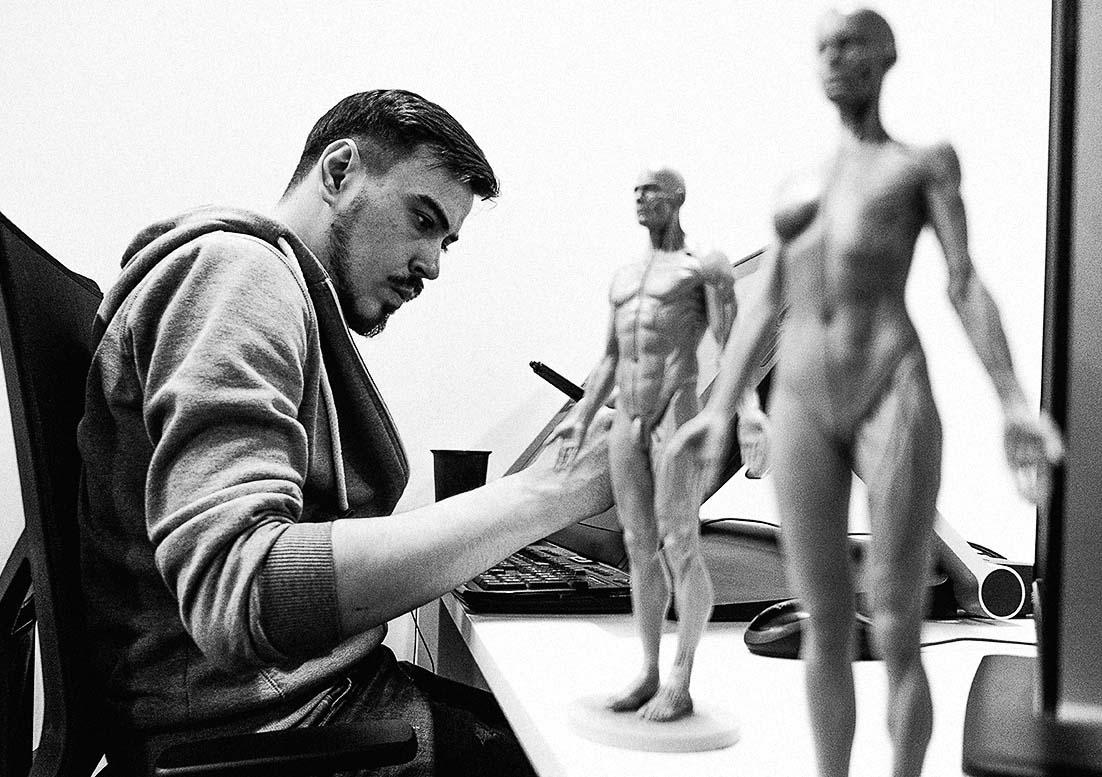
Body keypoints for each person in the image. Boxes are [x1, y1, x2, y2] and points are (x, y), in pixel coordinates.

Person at [76, 89, 613, 775]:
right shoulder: (239, 274)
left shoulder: (265, 286)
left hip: (299, 705)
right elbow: (243, 589)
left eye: (446, 241)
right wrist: (552, 489)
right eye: (423, 220)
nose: (433, 264)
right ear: (338, 172)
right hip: (265, 732)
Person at [666, 10, 1063, 777]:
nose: (834, 58)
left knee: (898, 620)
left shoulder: (921, 165)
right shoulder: (796, 188)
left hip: (891, 387)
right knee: (824, 620)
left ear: (886, 56)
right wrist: (721, 408)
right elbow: (764, 303)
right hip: (803, 398)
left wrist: (1013, 397)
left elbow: (963, 281)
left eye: (850, 44)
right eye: (824, 47)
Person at [552, 167, 769, 722]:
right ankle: (649, 670)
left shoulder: (705, 267)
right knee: (638, 544)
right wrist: (580, 416)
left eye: (650, 190)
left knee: (680, 543)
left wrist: (749, 414)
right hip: (627, 415)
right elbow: (610, 357)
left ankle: (682, 676)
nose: (640, 198)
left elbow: (733, 344)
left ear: (676, 198)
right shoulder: (625, 276)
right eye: (636, 190)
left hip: (677, 411)